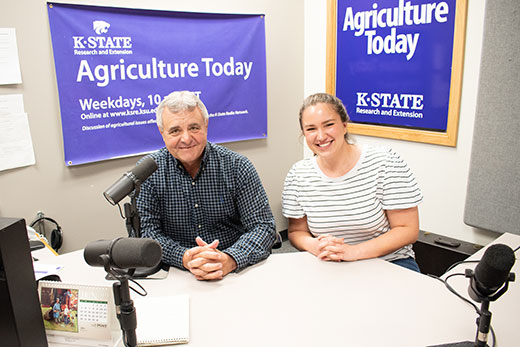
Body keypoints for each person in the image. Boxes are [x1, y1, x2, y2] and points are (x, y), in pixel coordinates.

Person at [136, 91, 276, 280]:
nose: (186, 138)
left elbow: (263, 227)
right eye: (175, 130)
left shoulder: (237, 166)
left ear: (206, 126)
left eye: (194, 127)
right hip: (176, 274)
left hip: (235, 272)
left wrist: (230, 259)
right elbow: (147, 234)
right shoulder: (148, 172)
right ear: (162, 133)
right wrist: (185, 257)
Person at [282, 93, 423, 271]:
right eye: (311, 129)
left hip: (389, 262)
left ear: (344, 125)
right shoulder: (298, 174)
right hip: (330, 265)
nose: (321, 136)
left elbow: (407, 229)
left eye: (329, 125)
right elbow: (296, 232)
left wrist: (352, 252)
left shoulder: (385, 162)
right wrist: (314, 246)